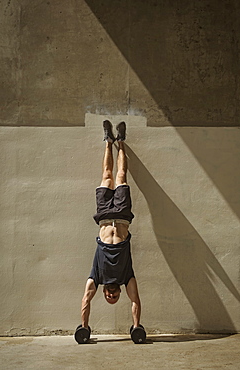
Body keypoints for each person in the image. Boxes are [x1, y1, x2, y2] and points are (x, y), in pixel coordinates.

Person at [80, 120, 142, 331]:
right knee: (121, 176)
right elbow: (136, 300)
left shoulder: (97, 277)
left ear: (105, 293)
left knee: (107, 176)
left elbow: (86, 299)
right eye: (115, 296)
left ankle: (108, 141)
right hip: (123, 215)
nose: (112, 294)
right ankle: (121, 142)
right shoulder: (126, 277)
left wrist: (84, 327)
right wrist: (136, 326)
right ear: (119, 293)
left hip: (105, 216)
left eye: (109, 296)